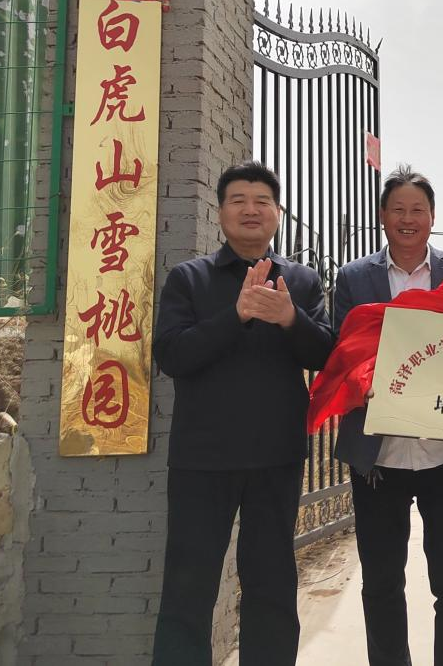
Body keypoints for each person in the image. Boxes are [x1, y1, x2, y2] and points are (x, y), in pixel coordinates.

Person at [151, 161, 335, 666]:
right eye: (238, 201)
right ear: (220, 212)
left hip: (276, 456)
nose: (250, 210)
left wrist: (290, 318)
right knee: (188, 585)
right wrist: (237, 315)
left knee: (271, 582)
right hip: (202, 458)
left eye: (262, 201)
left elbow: (327, 355)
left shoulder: (301, 280)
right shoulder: (189, 278)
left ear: (277, 213)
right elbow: (172, 356)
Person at [333, 165, 443, 666]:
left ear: (432, 217)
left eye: (417, 209)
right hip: (379, 456)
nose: (407, 218)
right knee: (381, 581)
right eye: (397, 209)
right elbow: (342, 352)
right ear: (382, 216)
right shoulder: (354, 278)